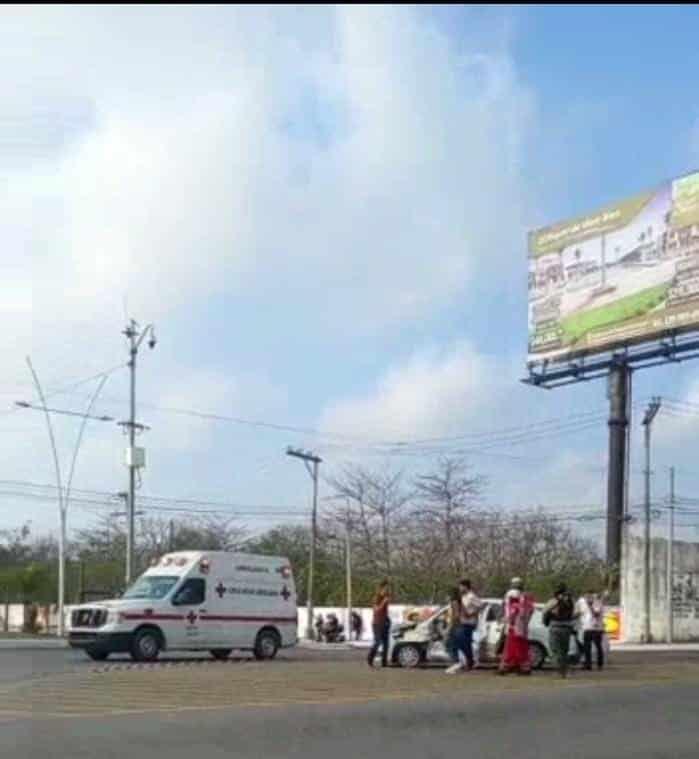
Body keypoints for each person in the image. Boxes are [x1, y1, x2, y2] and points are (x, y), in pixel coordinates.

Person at [498, 577, 534, 676]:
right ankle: (522, 666)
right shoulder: (526, 596)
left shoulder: (512, 594)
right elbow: (530, 610)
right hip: (523, 626)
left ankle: (508, 666)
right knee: (521, 646)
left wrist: (509, 620)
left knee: (512, 646)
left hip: (514, 625)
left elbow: (511, 609)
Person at [543, 582, 579, 678]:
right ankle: (565, 671)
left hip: (555, 627)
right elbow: (576, 614)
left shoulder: (553, 601)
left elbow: (545, 611)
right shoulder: (570, 601)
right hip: (567, 628)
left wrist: (546, 622)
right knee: (564, 651)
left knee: (555, 650)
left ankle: (559, 671)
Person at [577, 590, 605, 670]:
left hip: (596, 628)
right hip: (587, 628)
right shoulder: (583, 603)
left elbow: (596, 614)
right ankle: (588, 664)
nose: (588, 598)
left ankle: (600, 664)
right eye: (586, 597)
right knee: (587, 647)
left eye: (589, 597)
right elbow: (580, 613)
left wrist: (590, 606)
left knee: (598, 646)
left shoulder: (597, 603)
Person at [459, 579, 482, 672]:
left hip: (470, 622)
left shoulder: (471, 596)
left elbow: (481, 605)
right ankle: (468, 661)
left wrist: (472, 614)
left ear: (465, 586)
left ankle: (470, 662)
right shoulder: (463, 597)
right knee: (462, 642)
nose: (460, 588)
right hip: (463, 622)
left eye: (461, 586)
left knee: (465, 642)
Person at [368, 579, 391, 668]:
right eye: (386, 588)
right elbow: (376, 610)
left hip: (385, 623)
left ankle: (384, 662)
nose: (387, 590)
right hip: (377, 623)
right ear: (381, 588)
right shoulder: (377, 597)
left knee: (386, 644)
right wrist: (383, 602)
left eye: (388, 589)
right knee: (377, 642)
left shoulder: (387, 596)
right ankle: (370, 658)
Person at [445, 587, 465, 674]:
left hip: (454, 626)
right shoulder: (457, 602)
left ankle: (456, 663)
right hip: (456, 626)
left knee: (450, 644)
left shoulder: (454, 602)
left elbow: (455, 615)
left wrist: (450, 626)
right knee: (453, 644)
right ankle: (456, 663)